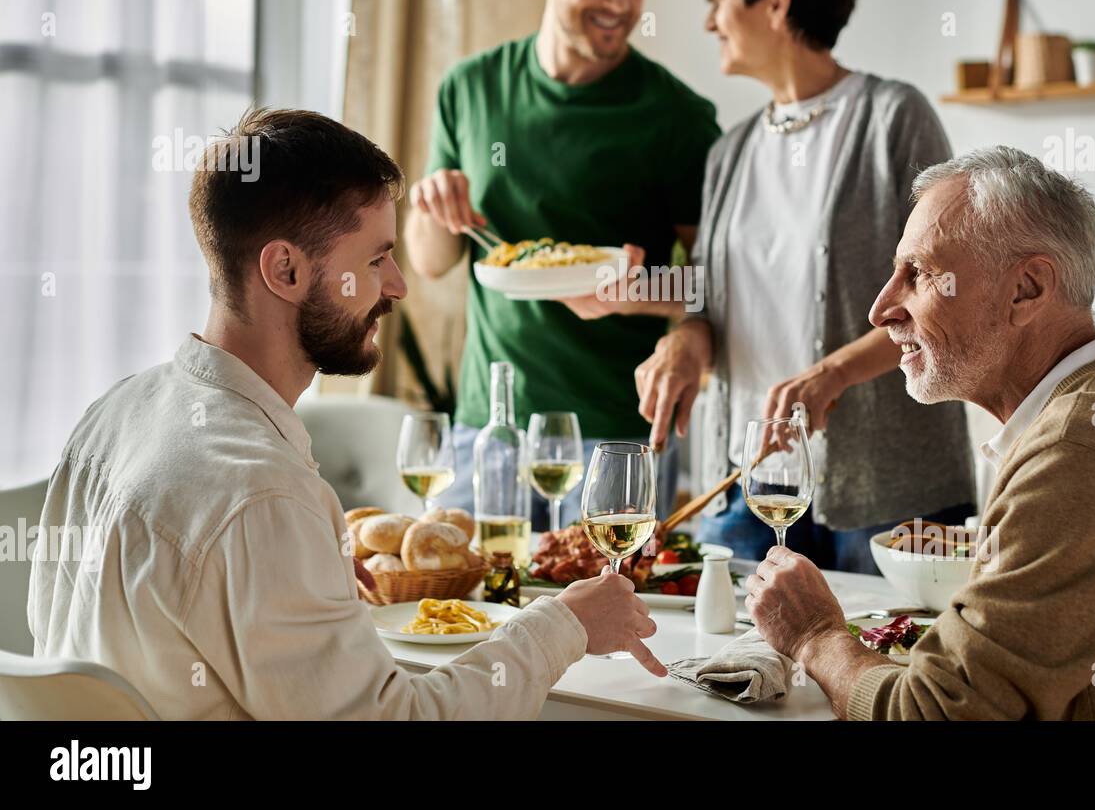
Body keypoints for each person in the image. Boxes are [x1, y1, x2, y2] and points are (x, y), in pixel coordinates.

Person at [28, 108, 666, 720]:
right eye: (374, 259)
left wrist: (304, 578)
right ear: (285, 269)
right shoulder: (262, 495)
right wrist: (565, 625)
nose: (397, 285)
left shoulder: (113, 412)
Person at [745, 146, 1095, 719]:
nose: (881, 308)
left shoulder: (1079, 454)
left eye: (920, 274)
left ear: (1028, 289)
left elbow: (935, 713)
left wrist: (816, 636)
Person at [632, 0, 974, 573]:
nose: (709, 21)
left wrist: (834, 373)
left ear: (776, 3)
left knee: (884, 669)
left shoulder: (895, 119)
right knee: (721, 672)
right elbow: (709, 304)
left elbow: (946, 293)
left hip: (888, 492)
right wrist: (685, 340)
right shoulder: (729, 153)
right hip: (748, 487)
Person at [404, 0, 720, 529]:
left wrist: (634, 290)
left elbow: (710, 288)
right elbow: (430, 261)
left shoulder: (679, 118)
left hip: (615, 443)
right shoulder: (471, 87)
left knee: (605, 629)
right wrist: (433, 205)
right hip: (485, 435)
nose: (620, 4)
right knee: (471, 623)